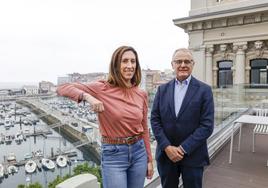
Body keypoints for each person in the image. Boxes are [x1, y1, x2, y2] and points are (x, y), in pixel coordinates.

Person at [57, 45, 153, 188]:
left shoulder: (141, 94)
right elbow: (62, 88)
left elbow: (144, 128)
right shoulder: (102, 88)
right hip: (114, 154)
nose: (129, 66)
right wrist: (87, 96)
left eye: (133, 62)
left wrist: (149, 159)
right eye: (124, 61)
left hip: (139, 152)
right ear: (116, 65)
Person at [150, 48, 214, 188]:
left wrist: (183, 149)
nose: (183, 64)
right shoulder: (162, 90)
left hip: (193, 155)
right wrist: (167, 147)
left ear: (193, 64)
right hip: (166, 156)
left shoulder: (205, 90)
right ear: (172, 64)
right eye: (179, 61)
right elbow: (155, 120)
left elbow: (207, 126)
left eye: (187, 61)